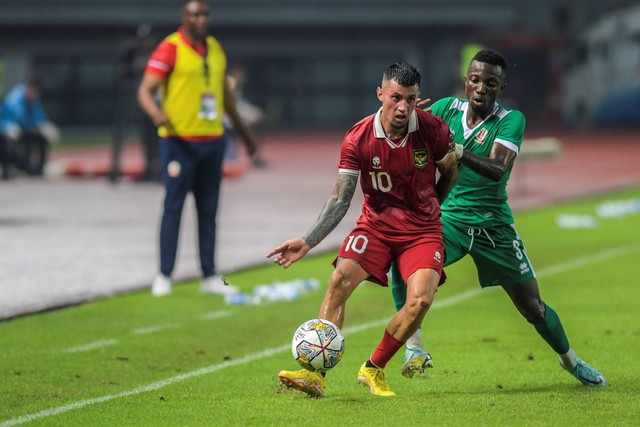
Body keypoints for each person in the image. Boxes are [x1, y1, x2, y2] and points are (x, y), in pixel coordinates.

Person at [390, 49, 608, 386]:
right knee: (400, 263)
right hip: (450, 222)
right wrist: (402, 116)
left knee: (532, 307)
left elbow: (498, 168)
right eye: (475, 80)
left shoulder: (511, 120)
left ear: (500, 87)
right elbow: (402, 134)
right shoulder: (446, 109)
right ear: (466, 81)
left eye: (490, 83)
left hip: (494, 227)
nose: (480, 88)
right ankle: (415, 348)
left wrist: (456, 151)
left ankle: (572, 362)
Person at [267, 62, 458, 397]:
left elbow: (451, 173)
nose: (403, 107)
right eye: (396, 97)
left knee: (421, 299)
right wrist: (309, 241)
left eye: (410, 99)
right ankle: (315, 375)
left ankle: (374, 369)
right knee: (339, 279)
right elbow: (341, 198)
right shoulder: (358, 137)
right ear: (380, 93)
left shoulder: (432, 129)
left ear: (418, 98)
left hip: (422, 230)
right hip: (376, 226)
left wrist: (431, 209)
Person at [137, 0, 258, 297]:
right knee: (174, 206)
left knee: (209, 210)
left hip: (212, 141)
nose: (199, 19)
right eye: (193, 14)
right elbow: (145, 91)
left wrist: (245, 133)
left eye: (204, 13)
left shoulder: (215, 48)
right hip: (179, 141)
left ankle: (209, 274)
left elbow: (226, 98)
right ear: (184, 17)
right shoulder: (170, 48)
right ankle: (164, 274)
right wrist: (156, 113)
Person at [110, 23, 161, 183]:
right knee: (121, 133)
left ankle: (155, 169)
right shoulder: (130, 50)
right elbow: (121, 71)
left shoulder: (158, 52)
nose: (145, 43)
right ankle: (115, 169)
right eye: (142, 40)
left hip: (153, 101)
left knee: (153, 136)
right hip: (130, 97)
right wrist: (133, 69)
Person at [0, 78, 60, 176]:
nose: (35, 96)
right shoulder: (14, 99)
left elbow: (39, 117)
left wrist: (44, 126)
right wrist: (35, 126)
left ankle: (38, 170)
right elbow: (17, 119)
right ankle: (16, 167)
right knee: (9, 143)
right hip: (12, 131)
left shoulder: (34, 100)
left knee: (42, 138)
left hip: (27, 130)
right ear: (29, 89)